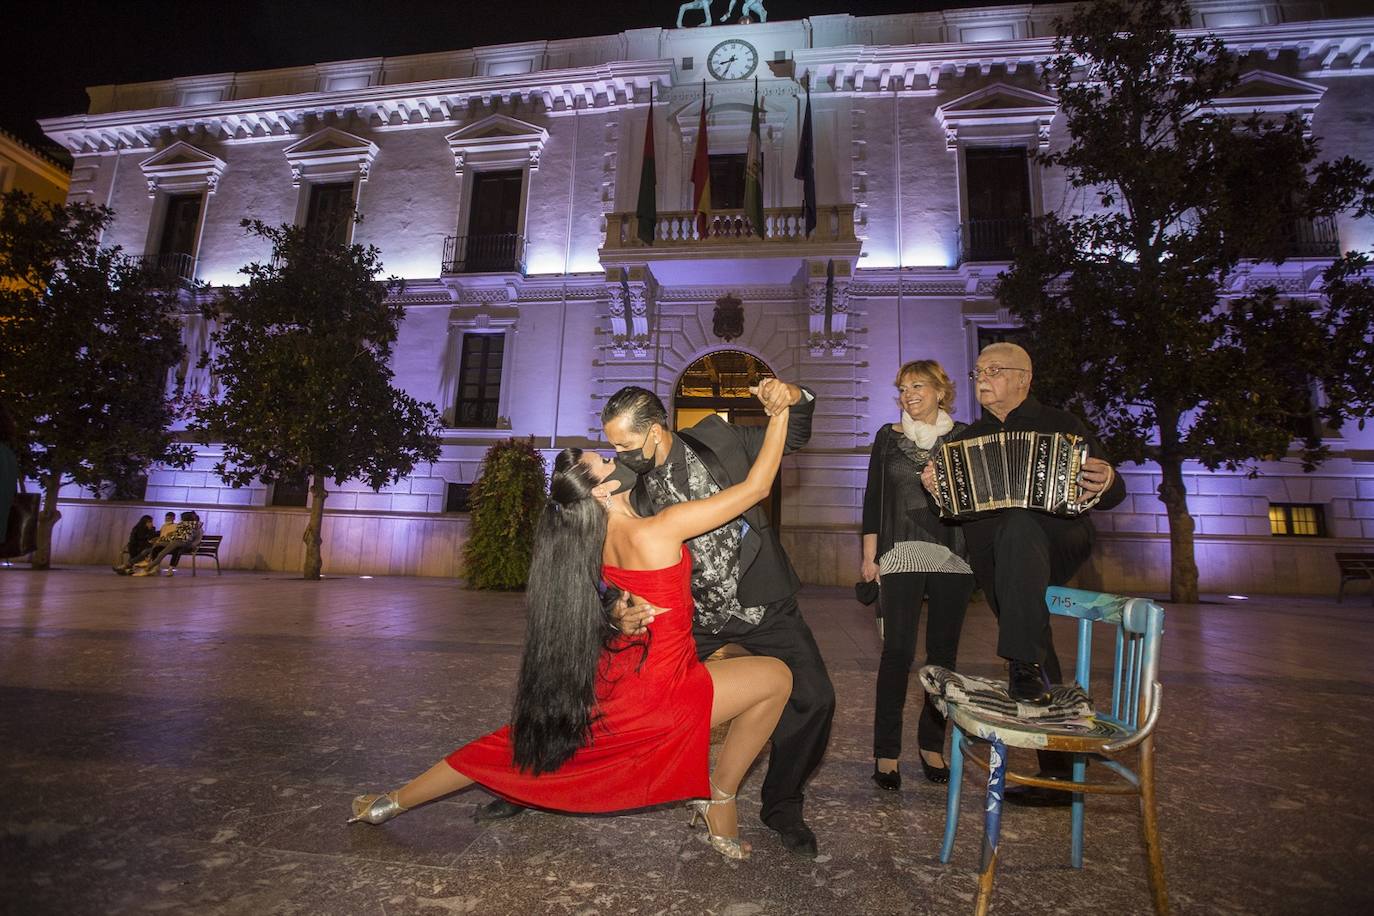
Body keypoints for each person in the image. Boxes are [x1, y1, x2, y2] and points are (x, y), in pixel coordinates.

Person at [349, 394, 794, 860]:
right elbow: (758, 487)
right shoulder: (659, 529)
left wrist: (614, 613)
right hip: (661, 689)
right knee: (777, 678)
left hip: (613, 680)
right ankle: (718, 796)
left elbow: (596, 599)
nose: (618, 458)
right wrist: (779, 414)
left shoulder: (591, 539)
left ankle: (391, 801)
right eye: (606, 459)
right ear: (601, 491)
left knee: (513, 742)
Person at [921, 342, 1125, 806]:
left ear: (1023, 378)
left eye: (993, 370)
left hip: (1060, 538)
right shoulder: (963, 438)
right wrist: (936, 489)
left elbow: (1113, 492)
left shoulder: (1063, 424)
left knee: (1019, 524)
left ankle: (1021, 665)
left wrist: (1108, 479)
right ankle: (1059, 770)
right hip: (996, 555)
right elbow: (952, 514)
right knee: (1033, 628)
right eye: (977, 371)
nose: (982, 378)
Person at [861, 360, 975, 790]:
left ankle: (932, 747)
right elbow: (874, 498)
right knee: (897, 655)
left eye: (919, 386)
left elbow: (975, 498)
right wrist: (870, 556)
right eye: (903, 387)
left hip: (953, 556)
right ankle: (886, 752)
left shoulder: (963, 437)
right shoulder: (887, 438)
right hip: (899, 553)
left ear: (940, 392)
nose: (909, 394)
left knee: (943, 659)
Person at [132, 511, 202, 576]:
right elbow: (178, 535)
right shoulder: (187, 525)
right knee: (159, 546)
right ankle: (148, 561)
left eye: (182, 518)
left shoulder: (186, 524)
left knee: (162, 554)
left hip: (179, 543)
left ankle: (147, 568)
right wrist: (162, 539)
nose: (180, 519)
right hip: (177, 542)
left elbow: (182, 536)